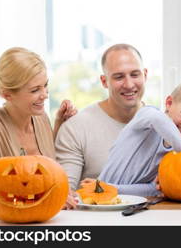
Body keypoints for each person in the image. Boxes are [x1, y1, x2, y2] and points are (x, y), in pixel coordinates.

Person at [0, 47, 76, 200]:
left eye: (45, 85)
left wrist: (59, 124)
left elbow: (44, 169)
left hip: (40, 219)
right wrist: (50, 195)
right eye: (35, 90)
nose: (45, 95)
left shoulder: (40, 118)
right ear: (8, 95)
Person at [55, 44, 147, 206]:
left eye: (135, 74)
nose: (129, 84)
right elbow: (64, 192)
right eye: (119, 77)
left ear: (145, 75)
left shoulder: (164, 128)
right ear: (104, 81)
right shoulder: (76, 127)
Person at [94, 77, 181, 197]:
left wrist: (113, 189)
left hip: (129, 201)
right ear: (169, 103)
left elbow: (155, 189)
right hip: (97, 194)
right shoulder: (147, 115)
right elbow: (157, 119)